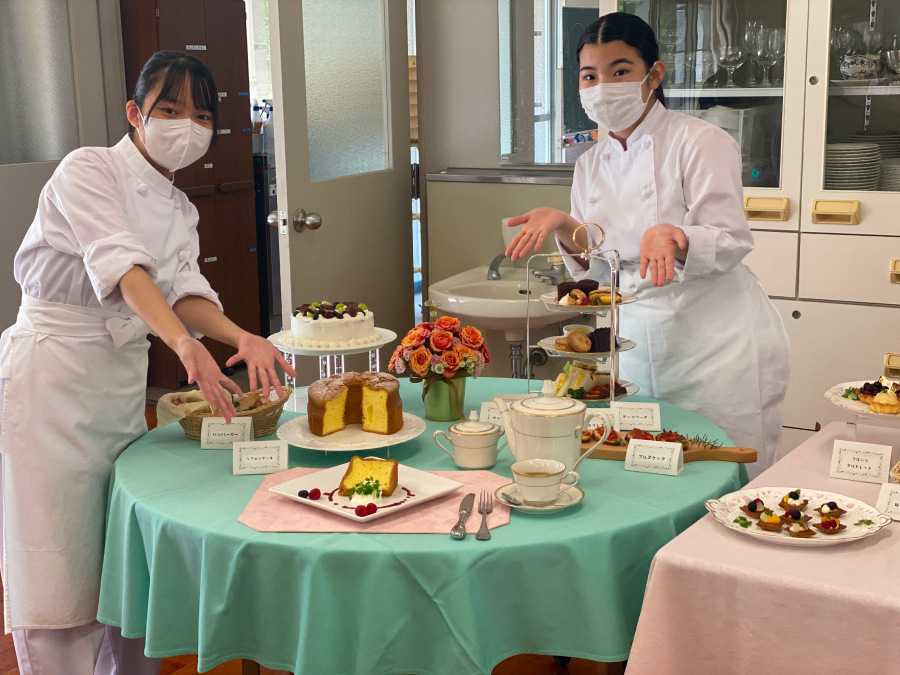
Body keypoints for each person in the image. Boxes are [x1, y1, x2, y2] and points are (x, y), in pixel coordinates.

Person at [0, 51, 296, 674]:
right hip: (52, 376)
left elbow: (184, 289)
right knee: (58, 563)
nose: (186, 124)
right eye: (169, 109)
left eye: (201, 115)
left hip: (115, 388)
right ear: (135, 113)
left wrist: (239, 336)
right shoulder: (89, 170)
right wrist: (183, 345)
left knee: (119, 557)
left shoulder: (179, 207)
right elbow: (123, 267)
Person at [506, 13, 789, 477]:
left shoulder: (699, 141)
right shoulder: (590, 163)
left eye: (620, 71)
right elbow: (597, 274)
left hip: (714, 344)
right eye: (590, 76)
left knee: (721, 472)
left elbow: (730, 239)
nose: (603, 86)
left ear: (653, 75)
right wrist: (564, 226)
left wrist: (675, 237)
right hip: (633, 340)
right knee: (643, 471)